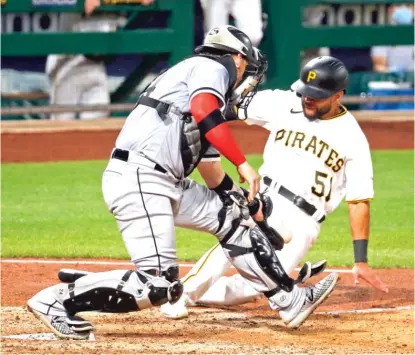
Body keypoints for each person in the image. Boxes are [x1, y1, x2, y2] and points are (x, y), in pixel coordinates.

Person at [27, 26, 338, 340]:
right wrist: (243, 164)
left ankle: (289, 298)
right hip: (140, 178)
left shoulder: (205, 97)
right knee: (159, 286)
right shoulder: (210, 67)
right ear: (234, 56)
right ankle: (56, 300)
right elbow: (204, 110)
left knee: (231, 214)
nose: (244, 75)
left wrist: (246, 201)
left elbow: (211, 170)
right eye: (245, 65)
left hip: (165, 181)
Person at [160, 55, 389, 320]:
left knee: (254, 287)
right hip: (267, 201)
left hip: (307, 223)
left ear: (338, 95)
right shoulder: (284, 102)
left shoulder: (353, 137)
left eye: (317, 95)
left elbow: (359, 199)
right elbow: (228, 109)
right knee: (233, 244)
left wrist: (360, 260)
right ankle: (183, 293)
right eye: (306, 92)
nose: (308, 98)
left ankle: (186, 292)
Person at [371, 4, 414, 73]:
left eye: (408, 5)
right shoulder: (382, 34)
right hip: (392, 80)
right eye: (399, 5)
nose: (404, 8)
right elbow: (378, 66)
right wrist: (391, 71)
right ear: (390, 9)